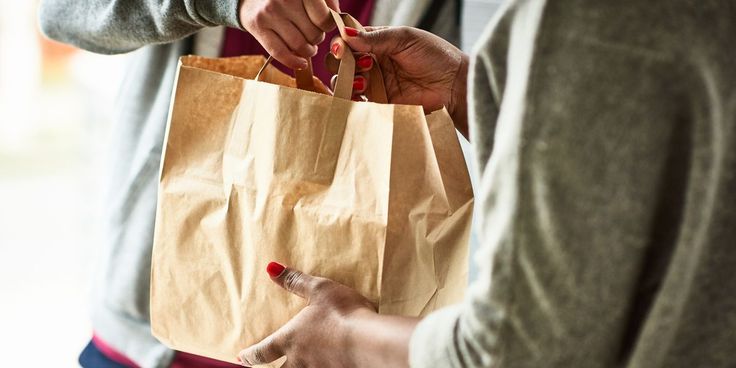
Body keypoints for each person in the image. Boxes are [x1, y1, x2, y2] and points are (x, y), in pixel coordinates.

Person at [236, 0, 736, 367]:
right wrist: (465, 91)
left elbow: (517, 350)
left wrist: (347, 339)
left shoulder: (590, 23)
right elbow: (660, 187)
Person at [37, 0, 462, 367]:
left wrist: (460, 85)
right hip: (150, 341)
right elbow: (61, 14)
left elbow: (504, 101)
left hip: (352, 349)